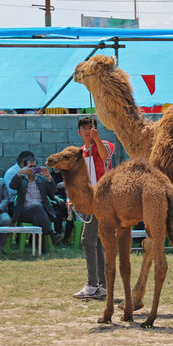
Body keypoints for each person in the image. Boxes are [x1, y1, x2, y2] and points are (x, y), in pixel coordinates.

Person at [71, 116, 114, 300]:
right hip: (89, 200)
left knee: (87, 241)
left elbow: (106, 157)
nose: (88, 131)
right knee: (96, 243)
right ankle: (102, 285)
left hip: (102, 199)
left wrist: (96, 140)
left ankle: (92, 284)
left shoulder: (105, 144)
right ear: (79, 132)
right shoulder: (80, 153)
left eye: (91, 128)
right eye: (85, 128)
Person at [9, 158, 62, 246]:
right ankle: (52, 235)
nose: (33, 169)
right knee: (37, 207)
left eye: (35, 166)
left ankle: (41, 248)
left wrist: (49, 177)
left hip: (41, 213)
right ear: (25, 168)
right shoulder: (21, 179)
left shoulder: (41, 179)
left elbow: (53, 190)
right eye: (30, 167)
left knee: (37, 217)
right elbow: (12, 186)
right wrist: (19, 173)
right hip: (24, 212)